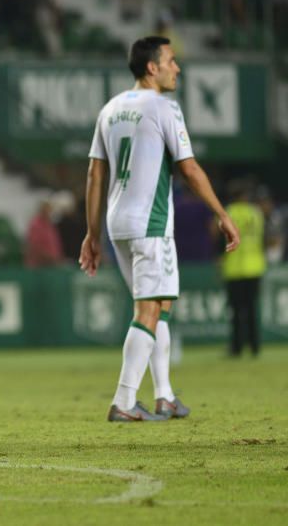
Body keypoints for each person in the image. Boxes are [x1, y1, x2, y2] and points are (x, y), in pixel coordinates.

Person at [80, 36, 240, 422]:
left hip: (118, 224)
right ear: (152, 67)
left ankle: (164, 395)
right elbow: (189, 168)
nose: (177, 68)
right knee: (148, 309)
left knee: (160, 304)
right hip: (150, 222)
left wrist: (93, 232)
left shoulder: (111, 109)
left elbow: (94, 173)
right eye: (171, 61)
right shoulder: (164, 107)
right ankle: (123, 400)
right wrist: (222, 212)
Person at [222, 180, 266, 357]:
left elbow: (219, 237)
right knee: (252, 309)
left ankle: (236, 348)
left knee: (236, 311)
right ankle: (255, 347)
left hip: (234, 268)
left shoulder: (228, 213)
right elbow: (262, 237)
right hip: (255, 267)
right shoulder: (256, 213)